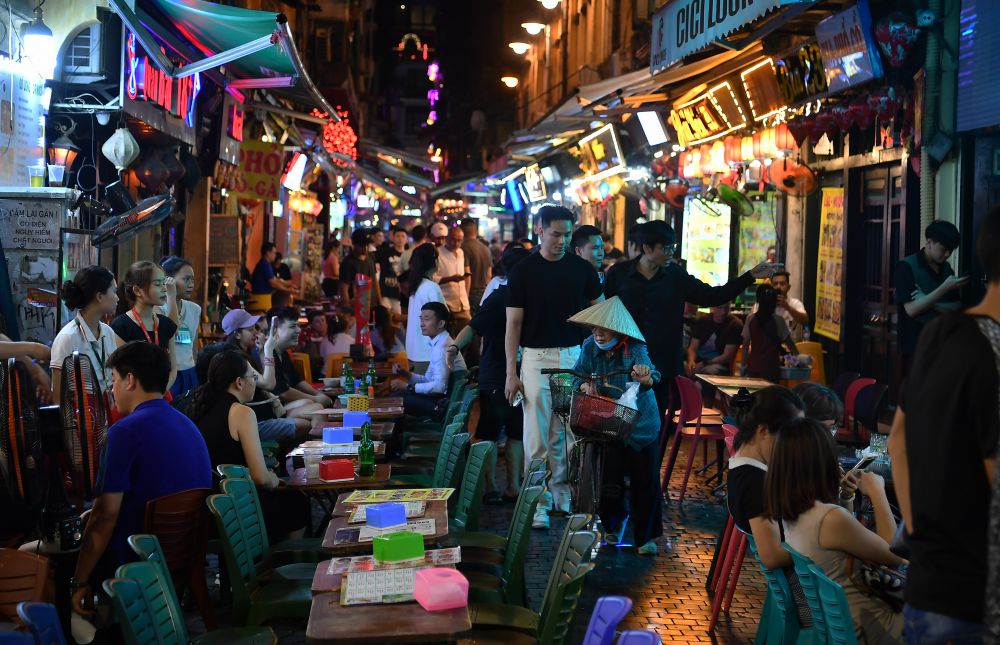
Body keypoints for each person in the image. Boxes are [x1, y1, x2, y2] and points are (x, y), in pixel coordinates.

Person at [890, 208, 999, 644]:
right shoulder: (991, 355)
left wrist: (920, 534)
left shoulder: (943, 336)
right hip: (980, 601)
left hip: (934, 586)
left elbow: (897, 439)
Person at [604, 220, 774, 450]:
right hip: (622, 362)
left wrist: (750, 276)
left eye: (672, 247)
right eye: (665, 248)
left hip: (660, 366)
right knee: (619, 423)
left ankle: (651, 480)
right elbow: (602, 314)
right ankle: (620, 480)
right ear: (647, 248)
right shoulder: (619, 274)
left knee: (655, 427)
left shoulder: (676, 276)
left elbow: (713, 296)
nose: (670, 253)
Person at [70, 342, 211, 617]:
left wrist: (79, 580)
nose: (112, 390)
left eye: (114, 380)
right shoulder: (187, 424)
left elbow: (105, 517)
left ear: (130, 380)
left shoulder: (123, 432)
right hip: (181, 554)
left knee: (44, 559)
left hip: (134, 559)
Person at [505, 205, 604, 528]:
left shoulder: (583, 270)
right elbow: (514, 324)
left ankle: (562, 497)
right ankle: (536, 504)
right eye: (555, 234)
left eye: (566, 235)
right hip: (535, 358)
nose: (561, 241)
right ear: (540, 230)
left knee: (568, 433)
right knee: (536, 436)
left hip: (575, 356)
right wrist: (511, 371)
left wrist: (595, 365)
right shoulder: (523, 271)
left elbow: (600, 318)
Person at [769, 417, 904, 644]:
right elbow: (895, 554)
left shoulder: (796, 513)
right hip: (871, 626)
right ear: (821, 462)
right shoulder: (830, 518)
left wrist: (846, 497)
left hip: (840, 625)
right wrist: (877, 492)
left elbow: (843, 538)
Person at [568, 297, 662, 553]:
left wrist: (644, 377)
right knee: (609, 479)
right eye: (594, 328)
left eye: (603, 329)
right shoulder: (589, 346)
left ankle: (646, 538)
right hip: (608, 424)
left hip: (642, 426)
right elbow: (576, 376)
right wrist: (584, 385)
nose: (597, 333)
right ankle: (611, 529)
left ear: (618, 330)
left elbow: (652, 374)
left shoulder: (636, 347)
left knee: (646, 481)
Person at [186, 350, 308, 541]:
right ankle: (283, 560)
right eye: (253, 376)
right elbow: (260, 477)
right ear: (239, 382)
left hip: (206, 506)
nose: (255, 382)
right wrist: (273, 479)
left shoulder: (199, 407)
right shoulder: (241, 412)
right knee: (297, 502)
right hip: (237, 507)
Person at [452, 246, 530, 503]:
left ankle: (512, 487)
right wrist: (453, 347)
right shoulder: (498, 297)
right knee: (490, 432)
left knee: (516, 432)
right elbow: (473, 328)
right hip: (497, 375)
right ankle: (491, 487)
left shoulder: (528, 296)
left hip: (521, 375)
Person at [726, 386, 806, 569]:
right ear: (763, 431)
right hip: (800, 581)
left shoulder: (742, 463)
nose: (794, 445)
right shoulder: (755, 482)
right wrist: (820, 544)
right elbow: (771, 557)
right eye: (789, 436)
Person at [895, 220, 966, 369]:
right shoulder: (906, 266)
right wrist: (943, 289)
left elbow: (956, 308)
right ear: (929, 242)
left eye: (951, 250)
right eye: (943, 249)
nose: (947, 254)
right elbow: (912, 310)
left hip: (943, 343)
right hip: (915, 346)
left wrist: (927, 301)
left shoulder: (946, 269)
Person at [51, 266, 118, 403]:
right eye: (114, 291)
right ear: (99, 296)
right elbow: (58, 397)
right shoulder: (67, 338)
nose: (117, 298)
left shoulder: (108, 332)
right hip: (83, 418)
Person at [111, 261, 179, 393]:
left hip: (162, 395)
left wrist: (159, 393)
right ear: (137, 290)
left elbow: (173, 369)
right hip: (133, 398)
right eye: (158, 284)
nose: (164, 288)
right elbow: (120, 373)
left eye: (164, 283)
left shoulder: (165, 324)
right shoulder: (121, 326)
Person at [391, 301, 466, 416]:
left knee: (396, 398)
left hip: (442, 405)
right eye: (421, 319)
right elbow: (429, 380)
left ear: (441, 323)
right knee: (398, 395)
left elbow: (439, 387)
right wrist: (406, 374)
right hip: (440, 400)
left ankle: (391, 433)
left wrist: (408, 386)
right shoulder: (440, 342)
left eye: (426, 319)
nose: (421, 324)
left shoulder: (441, 348)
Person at [267, 307, 332, 413]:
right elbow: (282, 392)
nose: (299, 330)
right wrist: (315, 398)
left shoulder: (282, 351)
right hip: (272, 411)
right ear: (275, 329)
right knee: (313, 405)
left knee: (313, 404)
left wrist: (317, 393)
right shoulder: (269, 352)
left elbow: (296, 380)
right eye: (293, 326)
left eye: (298, 325)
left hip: (282, 406)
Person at [160, 256, 201, 397]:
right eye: (186, 279)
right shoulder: (159, 309)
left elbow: (194, 348)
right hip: (169, 373)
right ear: (168, 280)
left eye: (193, 279)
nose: (191, 284)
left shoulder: (195, 309)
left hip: (190, 371)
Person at [741, 283, 798, 382]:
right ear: (774, 302)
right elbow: (791, 346)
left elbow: (745, 345)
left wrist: (743, 366)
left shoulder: (750, 319)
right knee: (769, 396)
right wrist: (798, 361)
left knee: (755, 395)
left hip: (753, 368)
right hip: (771, 369)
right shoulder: (779, 321)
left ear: (758, 300)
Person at [405, 244, 445, 374]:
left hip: (414, 351)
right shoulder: (431, 287)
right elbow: (442, 319)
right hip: (428, 353)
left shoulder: (417, 286)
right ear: (434, 261)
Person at [686, 303, 742, 377]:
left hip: (719, 364)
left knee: (707, 372)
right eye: (719, 308)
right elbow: (693, 347)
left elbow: (726, 356)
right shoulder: (703, 320)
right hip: (698, 361)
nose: (723, 312)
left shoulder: (735, 324)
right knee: (679, 367)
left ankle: (696, 386)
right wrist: (691, 361)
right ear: (712, 307)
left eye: (726, 308)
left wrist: (704, 363)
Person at [435, 225, 472, 337]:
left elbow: (467, 277)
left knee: (468, 335)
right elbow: (433, 278)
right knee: (448, 338)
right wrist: (450, 279)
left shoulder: (461, 252)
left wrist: (467, 294)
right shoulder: (438, 253)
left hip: (463, 303)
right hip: (446, 304)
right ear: (447, 238)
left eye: (459, 240)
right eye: (453, 240)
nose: (456, 243)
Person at [755, 270, 809, 341]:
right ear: (771, 286)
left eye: (782, 284)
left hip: (789, 344)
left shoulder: (795, 303)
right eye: (775, 284)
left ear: (788, 287)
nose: (778, 287)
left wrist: (787, 307)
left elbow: (805, 320)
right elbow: (753, 324)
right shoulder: (762, 303)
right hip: (768, 345)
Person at [340, 228, 381, 307]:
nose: (365, 248)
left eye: (367, 245)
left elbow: (375, 281)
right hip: (357, 308)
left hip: (372, 305)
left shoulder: (371, 257)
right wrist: (347, 307)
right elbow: (344, 288)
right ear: (354, 244)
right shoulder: (348, 262)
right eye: (362, 245)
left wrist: (379, 303)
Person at [460, 218, 493, 314]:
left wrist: (465, 299)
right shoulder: (485, 248)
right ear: (476, 231)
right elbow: (489, 274)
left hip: (470, 293)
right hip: (484, 292)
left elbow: (467, 275)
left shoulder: (463, 248)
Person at [378, 226, 407, 315]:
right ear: (393, 238)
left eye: (403, 236)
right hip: (385, 292)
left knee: (398, 321)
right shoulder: (385, 252)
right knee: (385, 319)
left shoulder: (408, 255)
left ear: (406, 239)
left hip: (399, 295)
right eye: (397, 236)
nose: (400, 239)